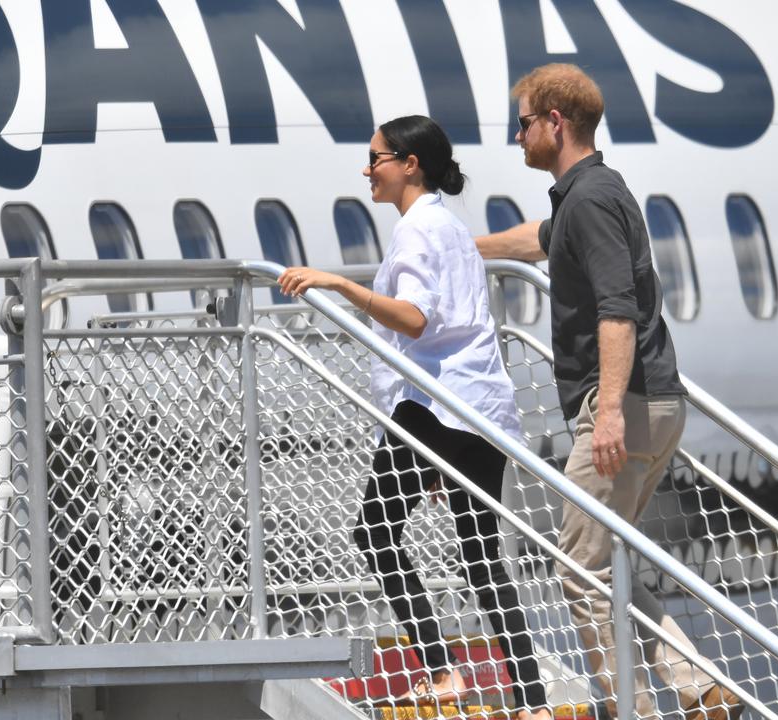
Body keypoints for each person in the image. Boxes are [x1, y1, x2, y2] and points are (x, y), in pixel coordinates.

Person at [476, 64, 745, 720]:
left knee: (577, 567)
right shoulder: (589, 195)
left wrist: (607, 417)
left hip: (623, 404)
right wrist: (458, 250)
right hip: (654, 402)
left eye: (524, 122)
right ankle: (698, 686)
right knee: (604, 559)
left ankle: (636, 710)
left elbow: (617, 314)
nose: (517, 135)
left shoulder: (590, 203)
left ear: (554, 123)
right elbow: (536, 243)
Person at [278, 115, 551, 720]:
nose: (367, 170)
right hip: (476, 406)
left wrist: (337, 285)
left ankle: (440, 668)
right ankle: (530, 697)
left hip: (431, 405)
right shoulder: (448, 226)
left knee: (374, 534)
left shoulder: (418, 229)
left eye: (376, 158)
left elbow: (416, 320)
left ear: (410, 164)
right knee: (481, 555)